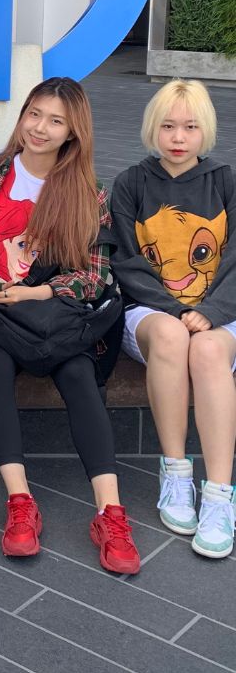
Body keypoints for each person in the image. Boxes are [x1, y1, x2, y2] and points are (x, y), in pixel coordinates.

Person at [0, 77, 141, 574]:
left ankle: (111, 512)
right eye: (34, 113)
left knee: (79, 376)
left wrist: (40, 292)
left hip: (57, 321)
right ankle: (20, 503)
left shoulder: (89, 191)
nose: (39, 127)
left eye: (55, 120)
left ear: (72, 132)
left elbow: (98, 273)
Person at [110, 79, 236, 559]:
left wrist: (211, 312)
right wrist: (179, 310)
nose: (178, 137)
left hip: (221, 310)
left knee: (206, 349)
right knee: (169, 336)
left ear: (205, 131)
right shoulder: (131, 182)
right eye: (167, 126)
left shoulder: (225, 181)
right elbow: (124, 260)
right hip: (153, 311)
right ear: (152, 129)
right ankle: (176, 473)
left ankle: (220, 494)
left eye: (189, 127)